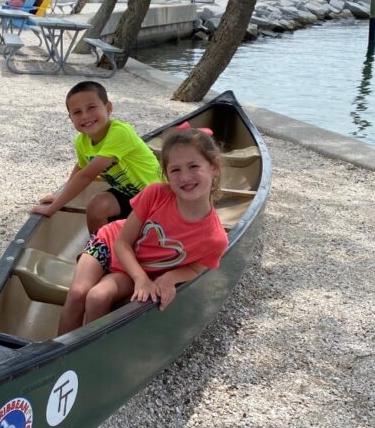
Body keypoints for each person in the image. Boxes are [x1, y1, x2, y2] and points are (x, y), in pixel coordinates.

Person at [56, 127, 228, 334]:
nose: (185, 177)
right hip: (108, 245)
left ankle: (93, 354)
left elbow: (194, 269)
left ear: (214, 167)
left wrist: (169, 278)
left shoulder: (215, 239)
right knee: (78, 293)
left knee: (97, 297)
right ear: (166, 174)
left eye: (193, 166)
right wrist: (141, 279)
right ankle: (60, 356)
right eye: (175, 170)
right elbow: (121, 242)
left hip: (135, 268)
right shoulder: (155, 194)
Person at [32, 81, 163, 235]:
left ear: (108, 108)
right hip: (129, 195)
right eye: (77, 112)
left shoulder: (120, 133)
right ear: (70, 118)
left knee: (144, 235)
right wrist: (60, 196)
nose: (85, 116)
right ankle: (100, 251)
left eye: (91, 107)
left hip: (158, 199)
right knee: (96, 206)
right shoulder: (81, 141)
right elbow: (80, 168)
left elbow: (86, 176)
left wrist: (52, 209)